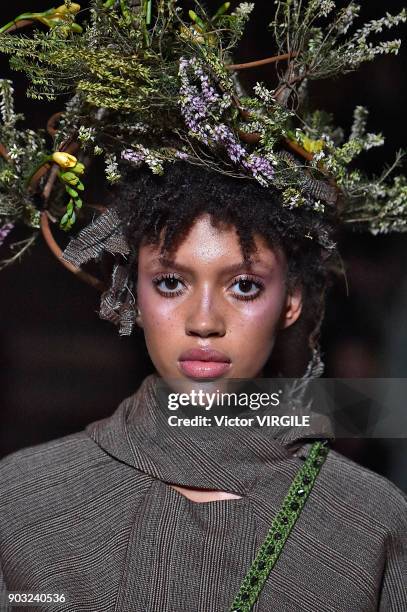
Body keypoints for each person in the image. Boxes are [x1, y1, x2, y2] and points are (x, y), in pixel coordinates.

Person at [0, 1, 407, 610]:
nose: (204, 321)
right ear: (132, 291)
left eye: (244, 285)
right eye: (170, 283)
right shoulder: (24, 504)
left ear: (292, 300)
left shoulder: (368, 526)